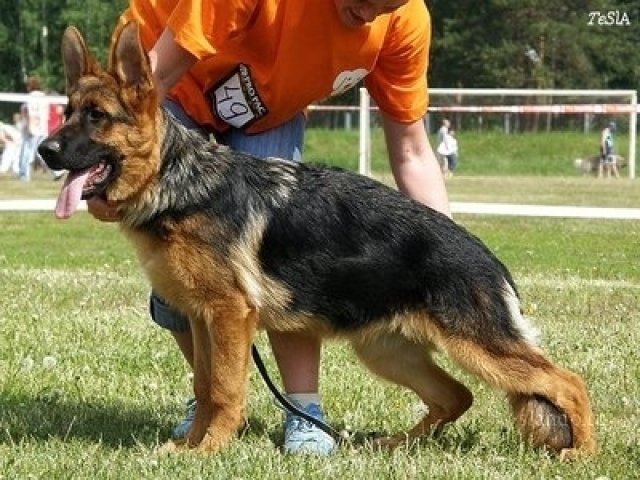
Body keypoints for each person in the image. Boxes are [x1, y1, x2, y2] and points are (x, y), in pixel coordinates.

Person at [89, 0, 451, 455]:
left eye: (388, 5)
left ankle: (303, 410)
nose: (372, 14)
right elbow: (153, 80)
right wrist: (110, 171)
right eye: (366, 0)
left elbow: (413, 152)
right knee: (185, 267)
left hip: (267, 107)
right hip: (169, 91)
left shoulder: (404, 21)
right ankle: (213, 405)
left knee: (286, 253)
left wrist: (451, 258)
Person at [17, 76, 64, 181]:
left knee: (27, 152)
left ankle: (23, 175)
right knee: (43, 153)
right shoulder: (44, 97)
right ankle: (57, 171)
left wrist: (30, 127)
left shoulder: (30, 97)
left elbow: (31, 113)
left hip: (33, 128)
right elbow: (45, 114)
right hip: (42, 128)